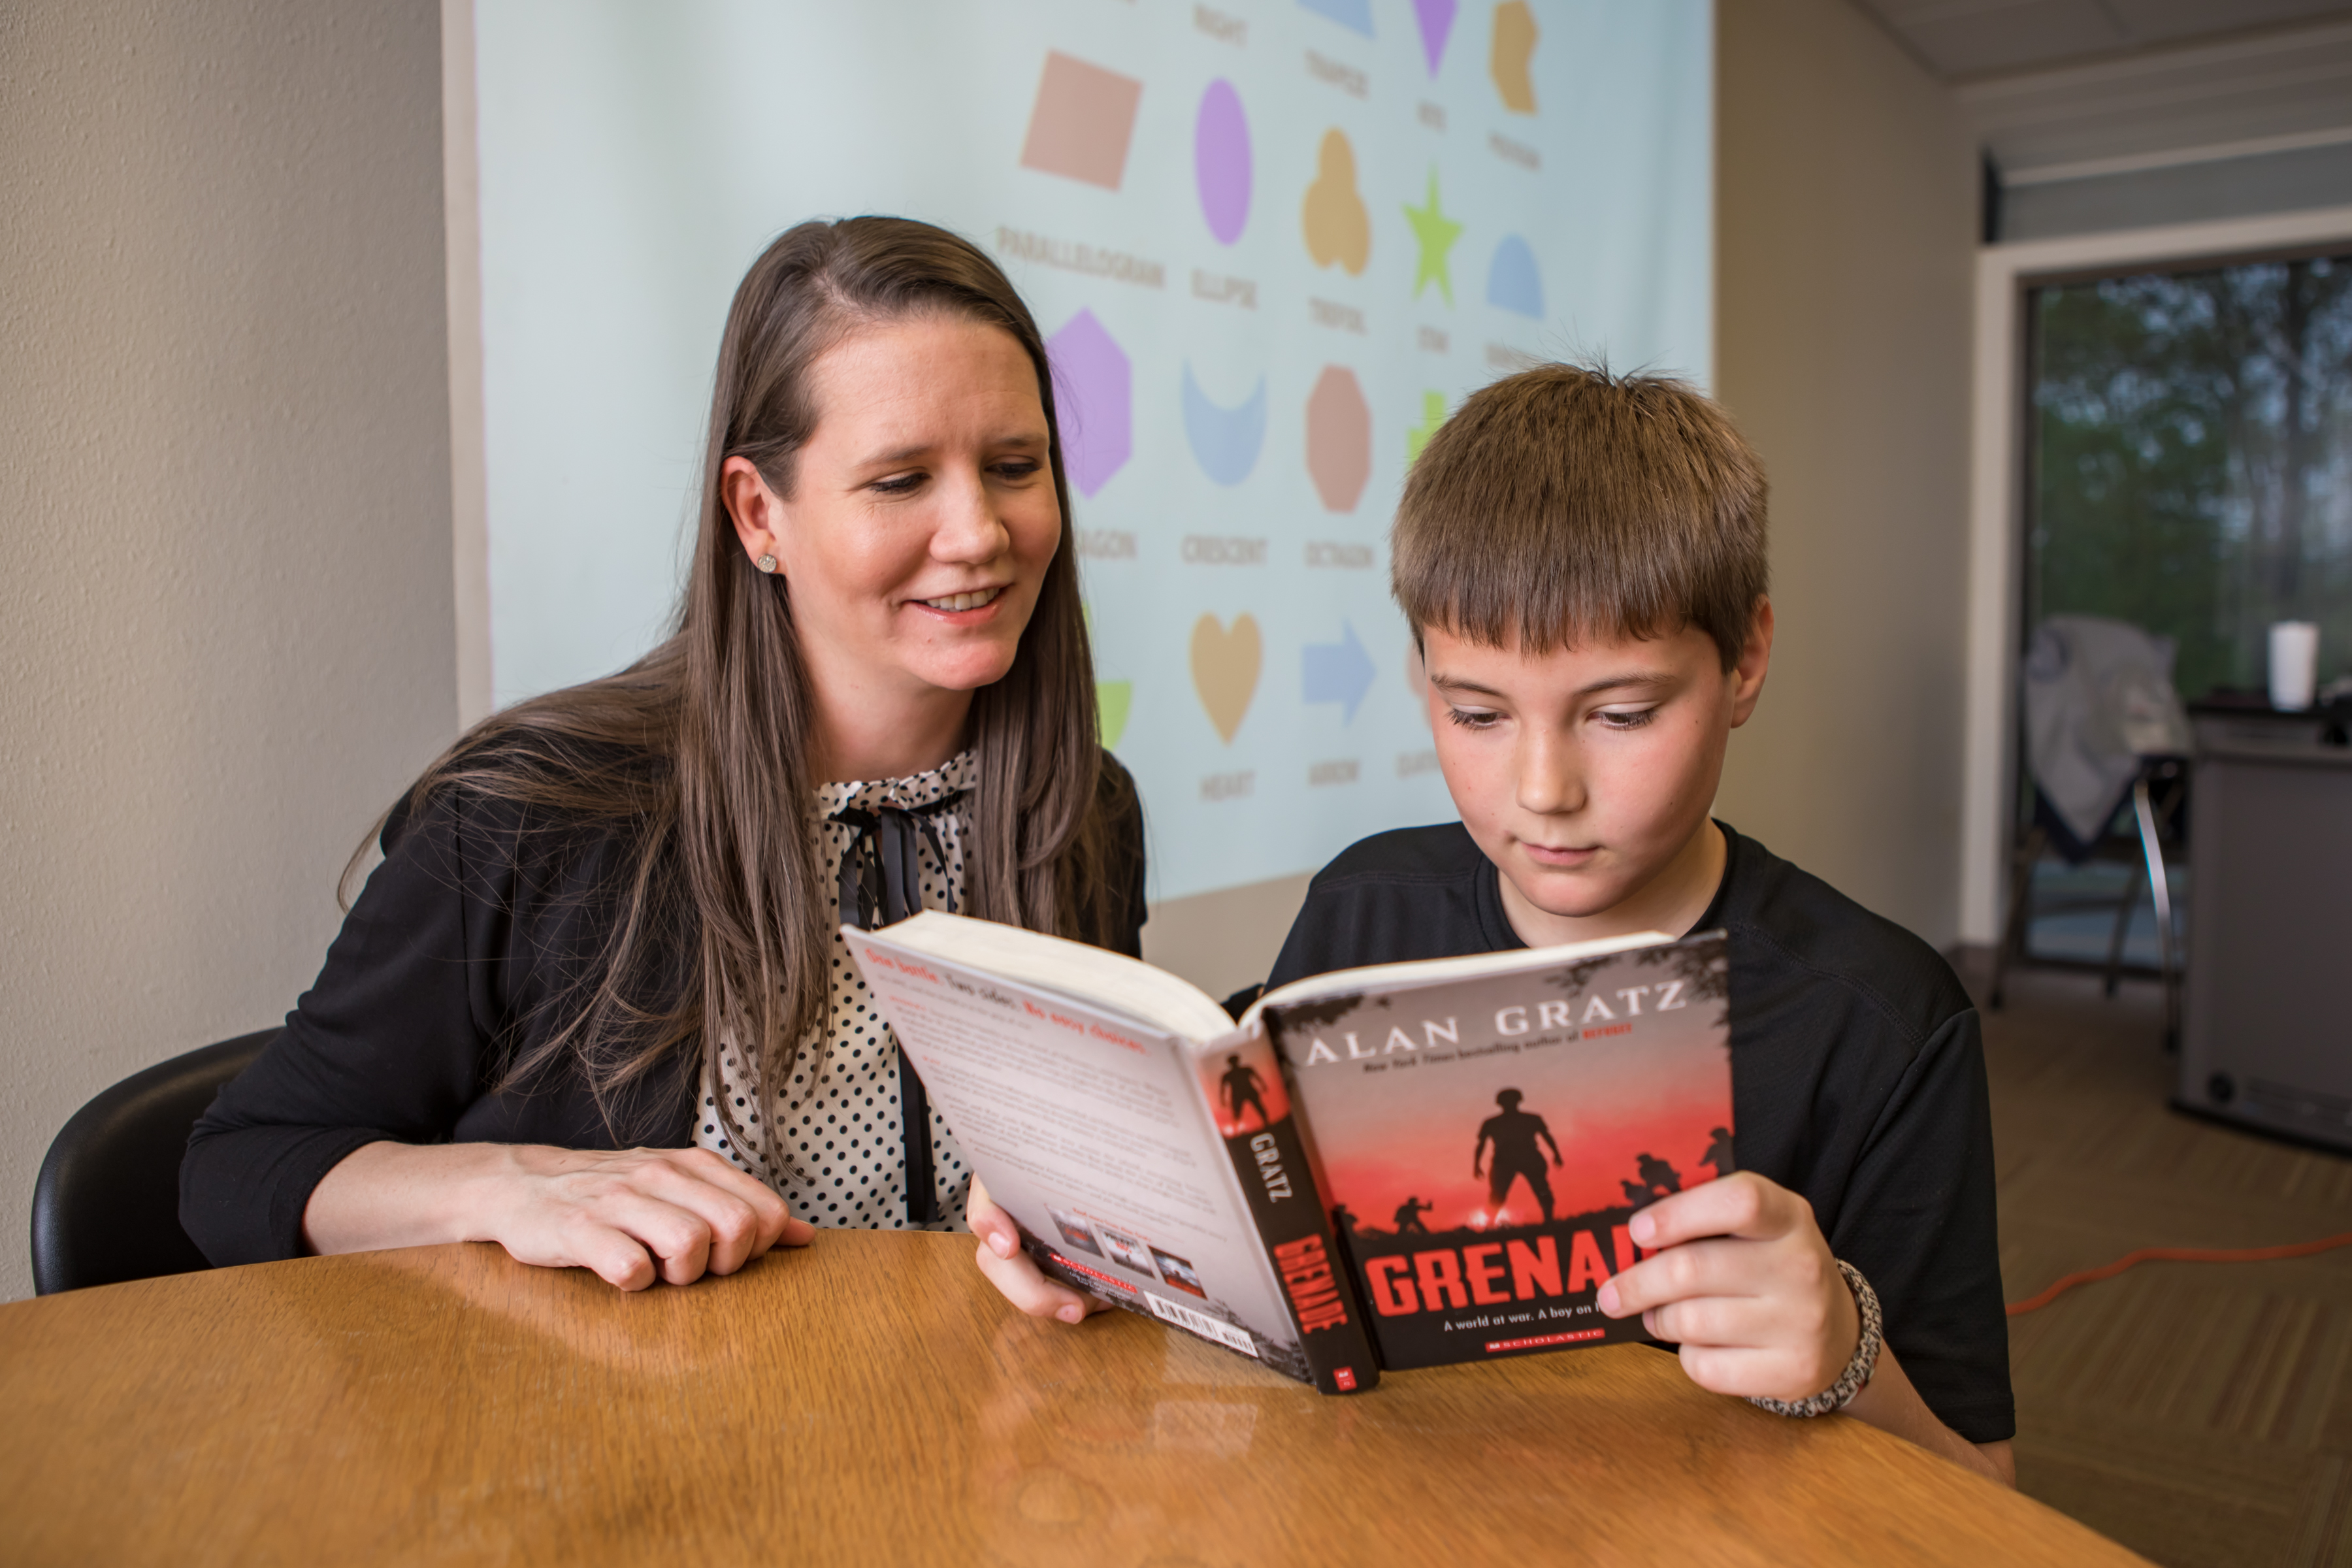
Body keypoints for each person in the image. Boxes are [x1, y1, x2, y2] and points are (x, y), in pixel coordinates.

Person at [182, 216, 1146, 1293]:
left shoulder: (1086, 806)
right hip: (619, 1445)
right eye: (900, 480)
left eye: (1015, 466)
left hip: (971, 1430)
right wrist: (510, 1189)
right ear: (757, 514)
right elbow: (243, 1163)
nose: (978, 532)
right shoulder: (532, 809)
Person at [1257, 364, 2016, 1484]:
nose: (1544, 788)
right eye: (1475, 713)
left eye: (1620, 714)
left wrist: (1845, 1352)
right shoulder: (1360, 910)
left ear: (1746, 659)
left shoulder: (1884, 1024)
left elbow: (1985, 1486)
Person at [1473, 1088, 1562, 1222]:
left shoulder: (1531, 1119)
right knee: (1498, 1194)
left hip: (1527, 1158)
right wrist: (1476, 1165)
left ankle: (1549, 1220)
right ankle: (1490, 1223)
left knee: (1542, 1190)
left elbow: (1547, 1136)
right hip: (1506, 1161)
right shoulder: (1492, 1123)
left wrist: (1556, 1154)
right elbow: (1481, 1144)